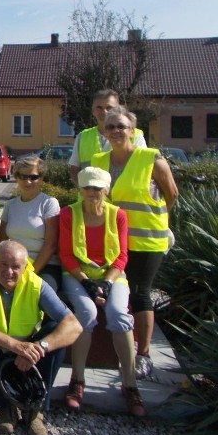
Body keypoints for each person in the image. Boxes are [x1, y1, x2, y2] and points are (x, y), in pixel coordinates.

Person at [0, 241, 81, 435]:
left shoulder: (37, 284)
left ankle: (35, 411)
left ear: (25, 267)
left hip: (29, 356)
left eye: (16, 267)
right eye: (3, 265)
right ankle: (6, 408)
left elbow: (73, 326)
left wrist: (39, 348)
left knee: (55, 333)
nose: (9, 271)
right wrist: (14, 346)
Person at [92, 106, 178, 379]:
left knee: (141, 293)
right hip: (113, 241)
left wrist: (158, 220)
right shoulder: (99, 159)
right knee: (116, 293)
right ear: (103, 132)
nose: (115, 131)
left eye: (121, 126)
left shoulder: (152, 159)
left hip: (146, 240)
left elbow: (171, 195)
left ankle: (143, 355)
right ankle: (121, 348)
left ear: (132, 130)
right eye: (110, 127)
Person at [60, 167, 147, 416]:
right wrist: (87, 282)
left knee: (119, 314)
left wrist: (107, 282)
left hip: (112, 275)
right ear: (80, 189)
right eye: (87, 187)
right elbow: (66, 254)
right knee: (86, 313)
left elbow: (121, 256)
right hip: (78, 275)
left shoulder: (118, 215)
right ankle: (77, 380)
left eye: (97, 188)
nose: (91, 192)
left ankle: (130, 384)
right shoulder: (69, 214)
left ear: (106, 190)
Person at [0, 155, 61, 290]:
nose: (28, 182)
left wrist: (30, 272)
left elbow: (50, 244)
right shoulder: (10, 205)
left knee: (38, 292)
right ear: (16, 177)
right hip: (13, 264)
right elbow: (2, 240)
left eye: (33, 177)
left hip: (45, 265)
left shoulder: (49, 203)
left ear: (41, 178)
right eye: (23, 176)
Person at [68, 89, 146, 186]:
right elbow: (74, 169)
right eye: (99, 108)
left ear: (118, 110)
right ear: (93, 111)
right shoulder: (82, 137)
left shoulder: (135, 135)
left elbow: (143, 169)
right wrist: (85, 191)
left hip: (123, 198)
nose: (104, 112)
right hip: (93, 200)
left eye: (109, 107)